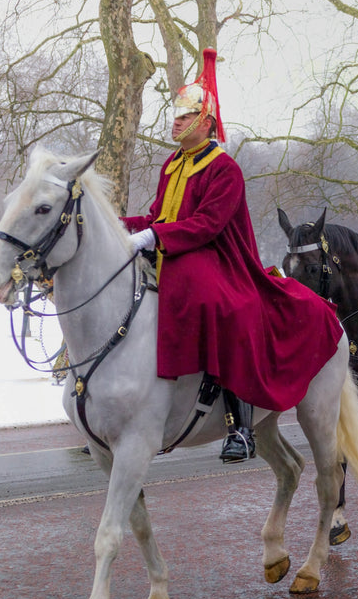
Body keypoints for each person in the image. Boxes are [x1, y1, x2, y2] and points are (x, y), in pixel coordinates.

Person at [122, 48, 343, 463]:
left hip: (218, 259)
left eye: (185, 116)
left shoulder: (224, 168)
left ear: (205, 123)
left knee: (224, 306)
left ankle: (239, 426)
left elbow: (207, 224)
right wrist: (126, 225)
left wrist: (154, 236)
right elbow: (159, 215)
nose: (176, 121)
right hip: (175, 252)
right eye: (176, 114)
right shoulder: (172, 164)